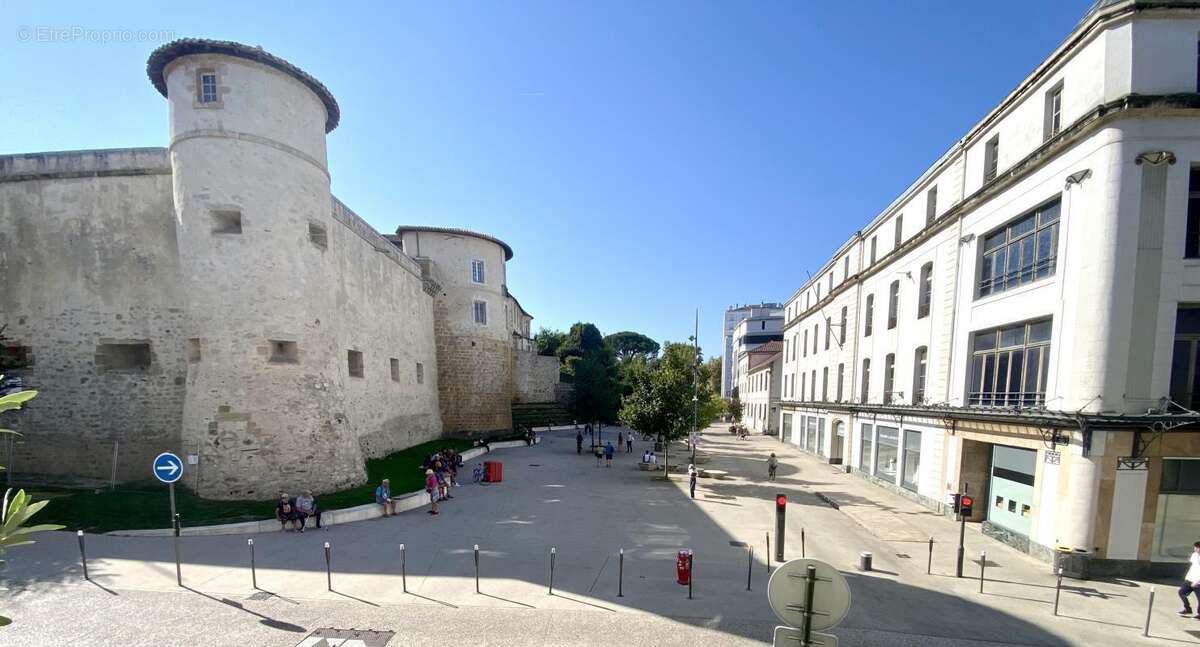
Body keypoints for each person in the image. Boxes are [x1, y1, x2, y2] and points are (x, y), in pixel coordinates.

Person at [1179, 541, 1200, 616]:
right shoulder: (1194, 555)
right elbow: (1193, 566)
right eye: (1195, 547)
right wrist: (1187, 576)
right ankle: (1187, 609)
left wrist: (1197, 582)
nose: (1195, 549)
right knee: (1181, 592)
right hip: (1190, 579)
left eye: (1197, 547)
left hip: (1198, 582)